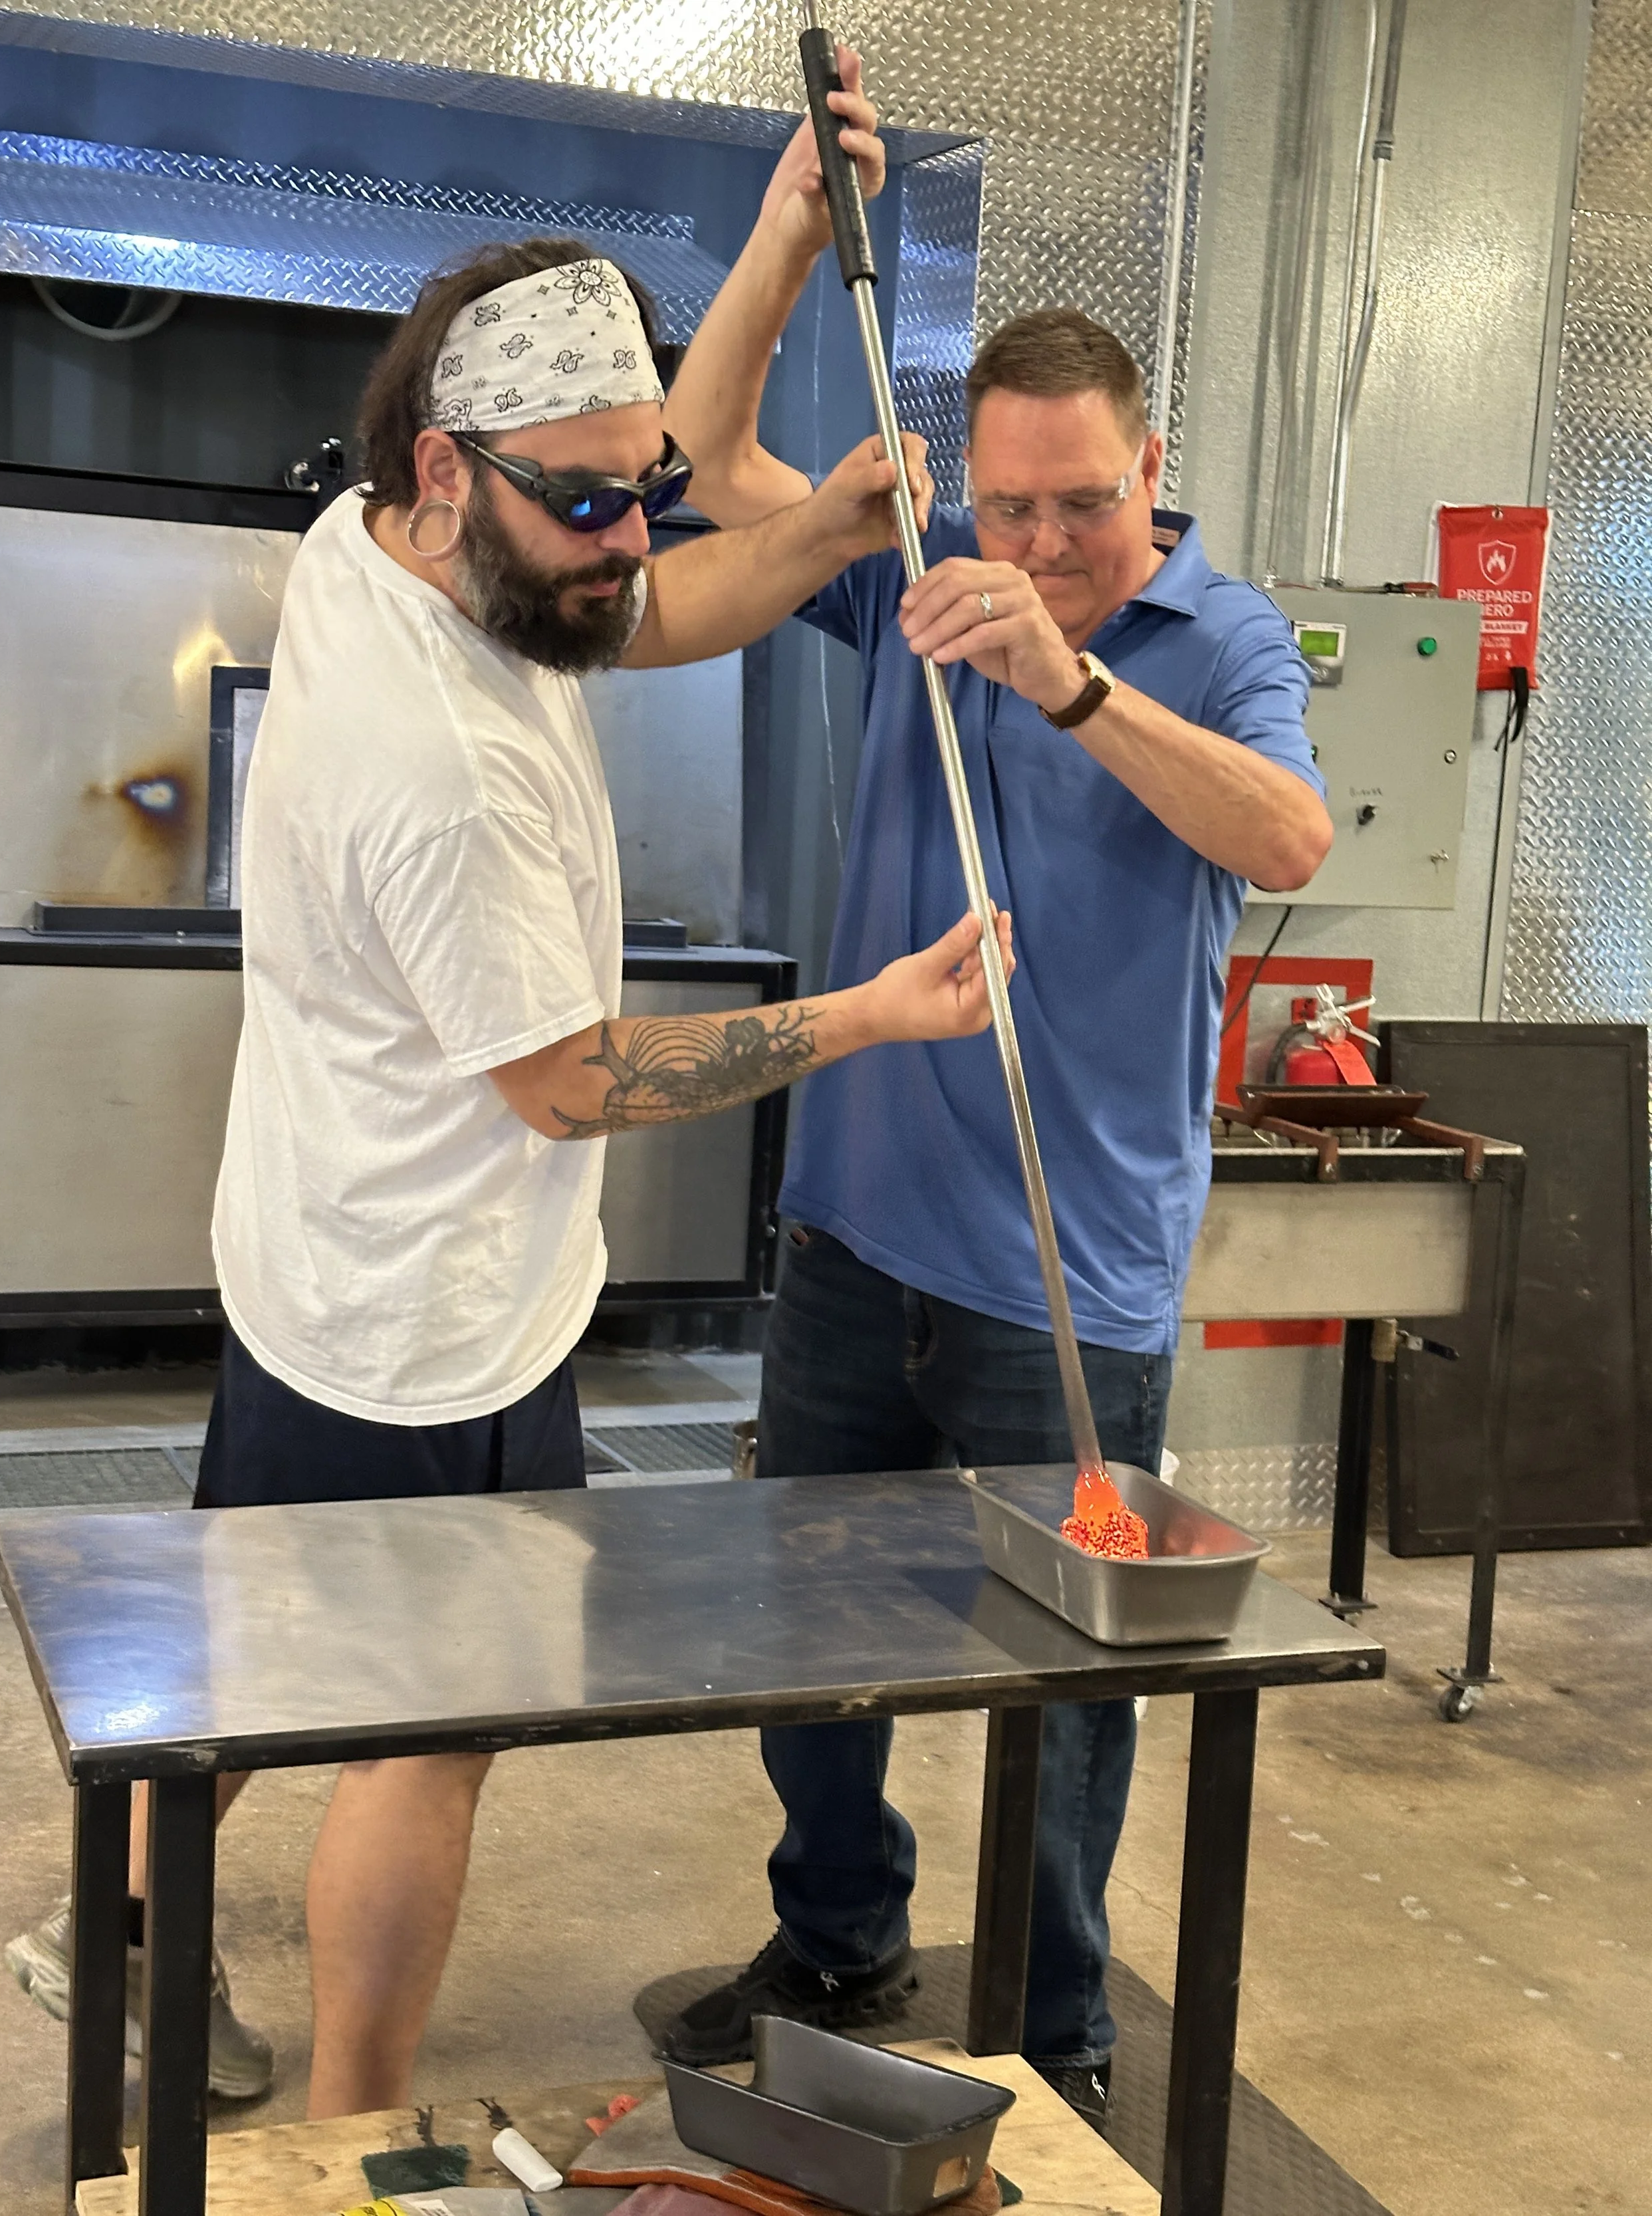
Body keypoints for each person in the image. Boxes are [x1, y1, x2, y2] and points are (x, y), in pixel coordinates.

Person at [3, 227, 1012, 2120]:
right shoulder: (442, 767)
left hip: (326, 1255)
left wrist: (817, 479)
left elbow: (652, 610)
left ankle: (120, 1947)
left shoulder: (380, 547)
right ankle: (354, 2125)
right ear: (452, 468)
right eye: (590, 503)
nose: (630, 539)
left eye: (646, 490)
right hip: (428, 1322)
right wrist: (866, 1015)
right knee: (428, 1735)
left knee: (247, 1657)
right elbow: (566, 1082)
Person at [655, 62, 1332, 2128]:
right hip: (855, 1229)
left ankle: (1057, 2020)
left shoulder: (1212, 642)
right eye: (1007, 506)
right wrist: (784, 235)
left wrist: (1071, 676)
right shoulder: (912, 572)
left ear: (1154, 470)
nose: (1037, 546)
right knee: (809, 1642)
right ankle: (841, 1921)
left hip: (1072, 1275)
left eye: (1081, 506)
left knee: (1077, 1680)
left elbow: (1287, 839)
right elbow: (693, 471)